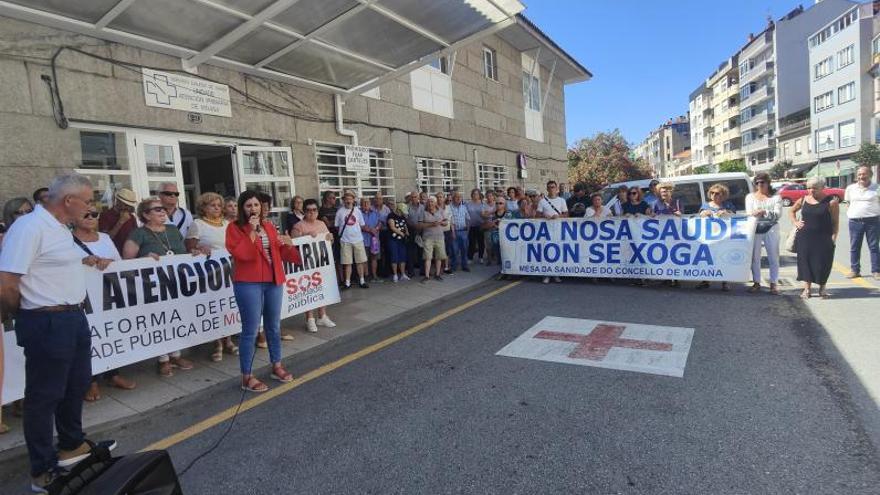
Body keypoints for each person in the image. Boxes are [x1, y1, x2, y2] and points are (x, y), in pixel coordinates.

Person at [0, 174, 117, 493]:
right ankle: (42, 469)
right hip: (45, 321)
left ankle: (71, 446)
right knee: (44, 395)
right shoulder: (29, 227)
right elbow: (7, 280)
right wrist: (25, 313)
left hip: (72, 317)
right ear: (69, 201)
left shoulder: (60, 228)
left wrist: (88, 259)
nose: (92, 207)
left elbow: (56, 261)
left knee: (76, 384)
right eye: (89, 201)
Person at [226, 190, 301, 393]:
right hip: (248, 283)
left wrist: (288, 244)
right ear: (243, 208)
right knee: (250, 331)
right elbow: (242, 255)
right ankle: (247, 376)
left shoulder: (268, 226)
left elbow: (280, 253)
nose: (253, 209)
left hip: (273, 281)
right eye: (249, 205)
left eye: (256, 205)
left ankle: (276, 365)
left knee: (273, 327)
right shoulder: (234, 228)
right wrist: (251, 231)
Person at [123, 197, 195, 377]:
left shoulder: (172, 230)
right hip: (153, 286)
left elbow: (183, 252)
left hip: (177, 282)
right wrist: (145, 257)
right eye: (157, 209)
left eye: (163, 208)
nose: (163, 211)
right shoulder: (138, 234)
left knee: (177, 318)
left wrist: (194, 252)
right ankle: (163, 359)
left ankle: (176, 355)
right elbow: (126, 260)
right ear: (145, 215)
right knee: (161, 320)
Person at [72, 205, 137, 402]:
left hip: (108, 297)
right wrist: (82, 262)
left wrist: (108, 262)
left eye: (95, 214)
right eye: (86, 214)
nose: (91, 217)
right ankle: (89, 382)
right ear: (73, 218)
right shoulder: (65, 241)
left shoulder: (106, 238)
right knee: (86, 339)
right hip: (81, 299)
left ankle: (112, 374)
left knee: (108, 334)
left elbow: (119, 263)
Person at [185, 192, 244, 359]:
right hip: (210, 274)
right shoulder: (197, 224)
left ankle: (229, 341)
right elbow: (189, 248)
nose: (217, 208)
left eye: (219, 205)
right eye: (213, 205)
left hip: (231, 271)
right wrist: (199, 250)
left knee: (228, 305)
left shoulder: (227, 223)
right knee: (215, 307)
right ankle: (217, 343)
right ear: (203, 208)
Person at [291, 199, 337, 333]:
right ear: (304, 211)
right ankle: (310, 319)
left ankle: (322, 316)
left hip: (321, 262)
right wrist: (305, 236)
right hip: (306, 264)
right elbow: (293, 245)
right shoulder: (298, 226)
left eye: (314, 210)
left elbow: (329, 242)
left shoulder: (322, 223)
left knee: (322, 289)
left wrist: (330, 238)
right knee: (308, 291)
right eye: (309, 210)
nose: (311, 212)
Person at [791, 177, 839, 299]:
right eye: (808, 188)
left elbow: (835, 222)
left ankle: (822, 288)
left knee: (823, 263)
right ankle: (807, 289)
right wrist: (795, 222)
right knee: (805, 262)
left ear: (823, 188)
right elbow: (791, 211)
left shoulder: (831, 202)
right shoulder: (803, 199)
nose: (811, 190)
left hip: (824, 238)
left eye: (814, 188)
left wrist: (833, 238)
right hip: (805, 237)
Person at [746, 173, 782, 295]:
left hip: (771, 228)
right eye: (757, 182)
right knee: (755, 257)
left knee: (773, 256)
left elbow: (777, 215)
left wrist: (764, 211)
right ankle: (756, 282)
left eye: (762, 182)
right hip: (755, 228)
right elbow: (749, 213)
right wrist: (761, 213)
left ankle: (773, 284)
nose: (760, 185)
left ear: (768, 183)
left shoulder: (776, 197)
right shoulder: (750, 197)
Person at [696, 184, 736, 291]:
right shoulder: (706, 205)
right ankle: (706, 280)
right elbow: (700, 215)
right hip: (709, 237)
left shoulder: (727, 205)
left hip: (724, 237)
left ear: (723, 195)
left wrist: (726, 212)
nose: (714, 195)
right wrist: (704, 213)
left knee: (723, 258)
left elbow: (735, 215)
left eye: (717, 193)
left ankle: (725, 282)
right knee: (708, 259)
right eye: (712, 193)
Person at [843, 166, 879, 279]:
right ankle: (855, 270)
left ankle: (876, 271)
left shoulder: (877, 188)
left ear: (870, 175)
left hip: (872, 221)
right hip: (855, 221)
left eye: (864, 174)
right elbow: (848, 203)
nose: (861, 176)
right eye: (859, 174)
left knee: (874, 247)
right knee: (854, 247)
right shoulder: (850, 188)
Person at [335, 190, 368, 289]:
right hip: (345, 241)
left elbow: (362, 225)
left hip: (358, 239)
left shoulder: (357, 211)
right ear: (343, 200)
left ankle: (362, 280)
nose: (348, 201)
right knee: (347, 263)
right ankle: (347, 282)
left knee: (360, 262)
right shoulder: (340, 212)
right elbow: (337, 226)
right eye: (346, 199)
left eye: (350, 198)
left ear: (353, 200)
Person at [97, 188, 138, 254]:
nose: (127, 207)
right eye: (125, 204)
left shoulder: (131, 217)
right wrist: (120, 222)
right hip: (113, 254)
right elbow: (105, 239)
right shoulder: (105, 216)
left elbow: (136, 238)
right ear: (118, 201)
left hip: (130, 254)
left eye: (129, 205)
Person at [483, 197, 514, 280]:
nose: (498, 205)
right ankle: (502, 271)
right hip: (496, 238)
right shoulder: (492, 215)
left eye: (500, 203)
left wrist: (501, 224)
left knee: (508, 256)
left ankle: (509, 272)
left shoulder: (509, 214)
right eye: (496, 203)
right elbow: (486, 224)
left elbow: (513, 226)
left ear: (504, 204)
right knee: (499, 256)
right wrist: (493, 223)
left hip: (507, 239)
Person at [419, 197, 448, 282]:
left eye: (432, 202)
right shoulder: (423, 212)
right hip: (428, 238)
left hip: (439, 237)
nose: (430, 203)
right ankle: (427, 276)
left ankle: (437, 274)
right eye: (429, 202)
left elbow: (446, 222)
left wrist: (441, 223)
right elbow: (420, 225)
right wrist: (431, 224)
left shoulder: (441, 211)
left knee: (439, 257)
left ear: (435, 203)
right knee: (428, 257)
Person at [385, 200, 410, 282]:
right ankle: (395, 275)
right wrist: (401, 233)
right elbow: (392, 227)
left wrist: (406, 232)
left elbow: (405, 225)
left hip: (401, 241)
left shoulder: (402, 216)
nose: (404, 213)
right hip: (393, 240)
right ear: (399, 210)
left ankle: (403, 274)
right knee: (394, 257)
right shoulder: (391, 216)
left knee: (402, 257)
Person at [360, 197, 382, 283]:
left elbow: (380, 222)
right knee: (364, 259)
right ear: (361, 204)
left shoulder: (375, 212)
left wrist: (376, 228)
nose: (366, 204)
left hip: (374, 239)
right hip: (363, 239)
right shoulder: (359, 213)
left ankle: (374, 276)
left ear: (370, 204)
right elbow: (359, 225)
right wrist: (369, 230)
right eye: (364, 203)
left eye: (367, 202)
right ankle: (366, 276)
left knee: (374, 258)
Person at [449, 191, 471, 272]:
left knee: (464, 250)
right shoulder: (449, 207)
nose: (458, 198)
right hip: (454, 232)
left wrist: (467, 231)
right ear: (453, 198)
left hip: (463, 232)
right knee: (454, 250)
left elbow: (468, 219)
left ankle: (465, 266)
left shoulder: (464, 207)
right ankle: (454, 266)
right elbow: (450, 220)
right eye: (456, 197)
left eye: (460, 197)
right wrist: (453, 232)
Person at [436, 192, 454, 274]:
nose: (440, 198)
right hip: (438, 232)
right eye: (438, 197)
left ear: (444, 198)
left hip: (447, 231)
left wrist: (453, 232)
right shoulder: (434, 208)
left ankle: (446, 267)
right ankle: (438, 269)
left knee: (447, 250)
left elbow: (450, 220)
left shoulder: (448, 207)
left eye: (441, 197)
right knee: (438, 250)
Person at [466, 189, 485, 264]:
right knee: (471, 243)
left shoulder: (483, 204)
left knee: (481, 242)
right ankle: (470, 258)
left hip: (481, 225)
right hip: (471, 226)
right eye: (474, 194)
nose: (475, 195)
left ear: (479, 195)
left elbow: (486, 214)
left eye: (477, 194)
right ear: (471, 195)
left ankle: (481, 257)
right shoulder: (468, 204)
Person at [481, 191, 499, 265]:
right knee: (488, 244)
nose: (489, 197)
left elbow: (499, 214)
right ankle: (489, 259)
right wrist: (493, 212)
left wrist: (488, 213)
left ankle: (497, 258)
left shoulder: (497, 204)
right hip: (487, 226)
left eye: (490, 196)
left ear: (493, 196)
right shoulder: (484, 205)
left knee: (496, 243)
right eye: (487, 196)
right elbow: (483, 215)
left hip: (496, 226)